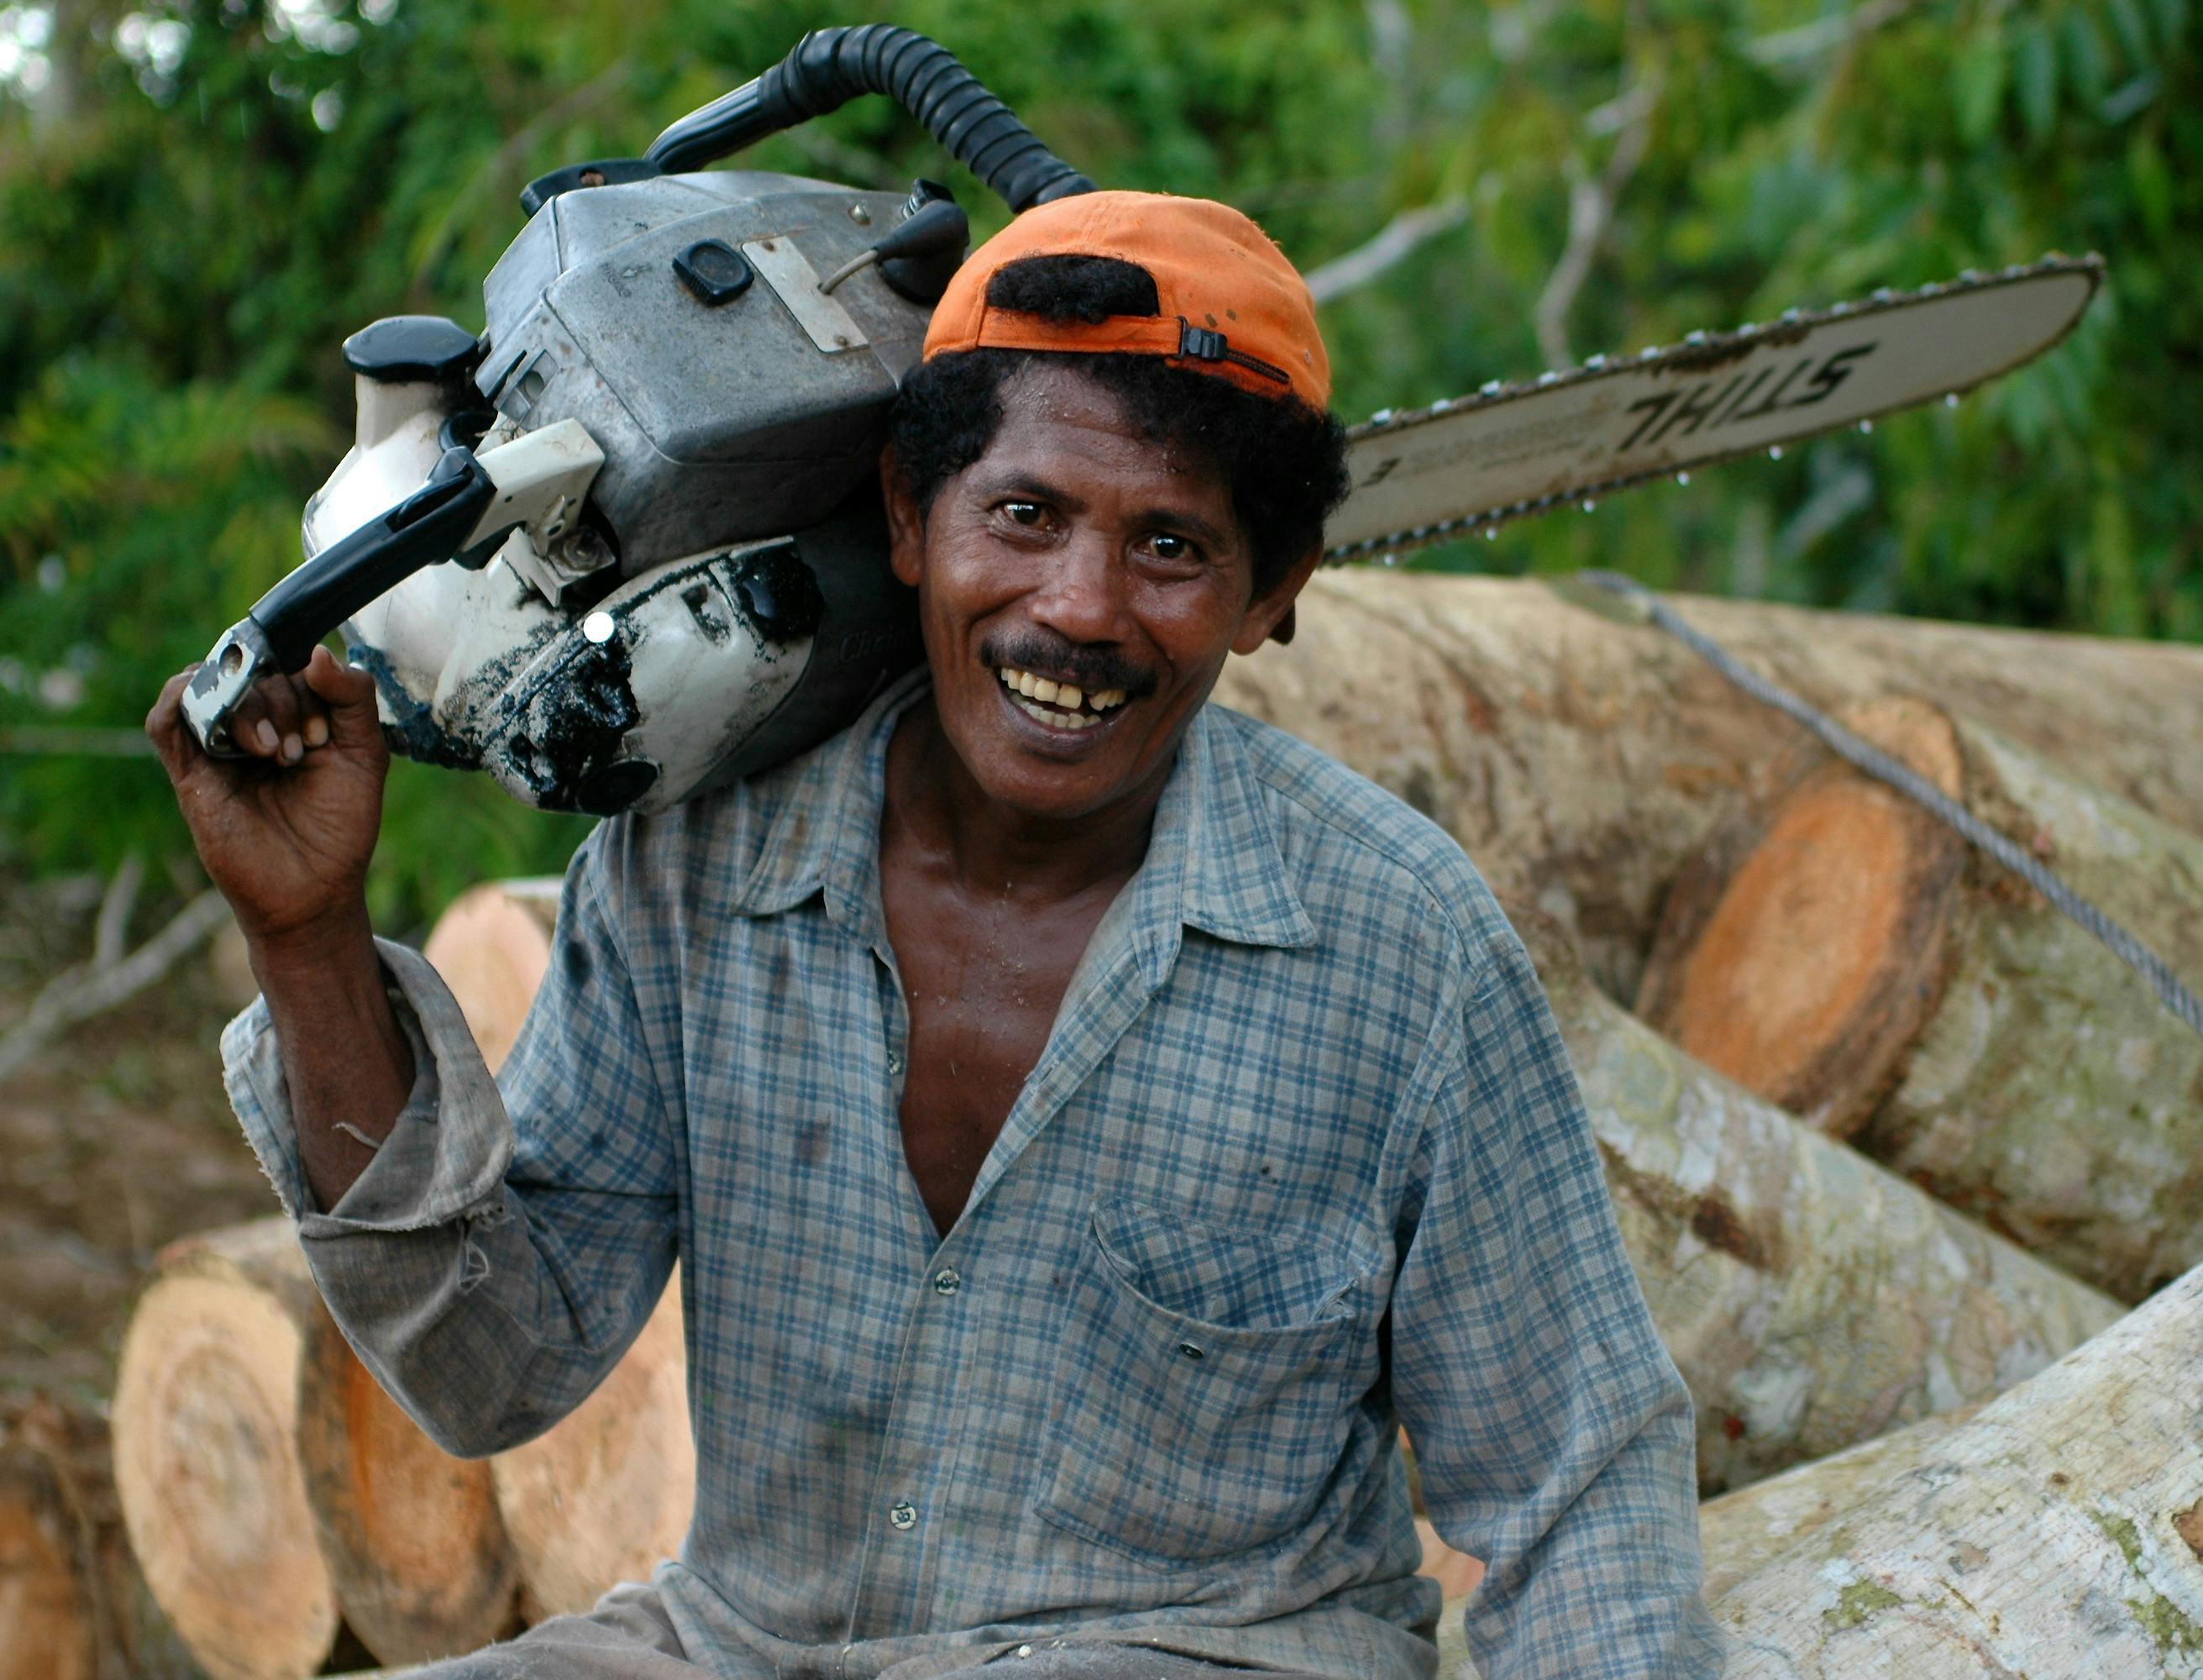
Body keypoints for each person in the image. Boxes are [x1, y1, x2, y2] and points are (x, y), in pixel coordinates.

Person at [147, 190, 1723, 1679]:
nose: (1080, 608)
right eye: (1023, 515)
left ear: (1275, 590)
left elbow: (1571, 1484)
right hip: (753, 1643)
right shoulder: (700, 859)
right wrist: (307, 941)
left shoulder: (1397, 945)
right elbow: (495, 1368)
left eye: (1170, 546)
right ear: (909, 519)